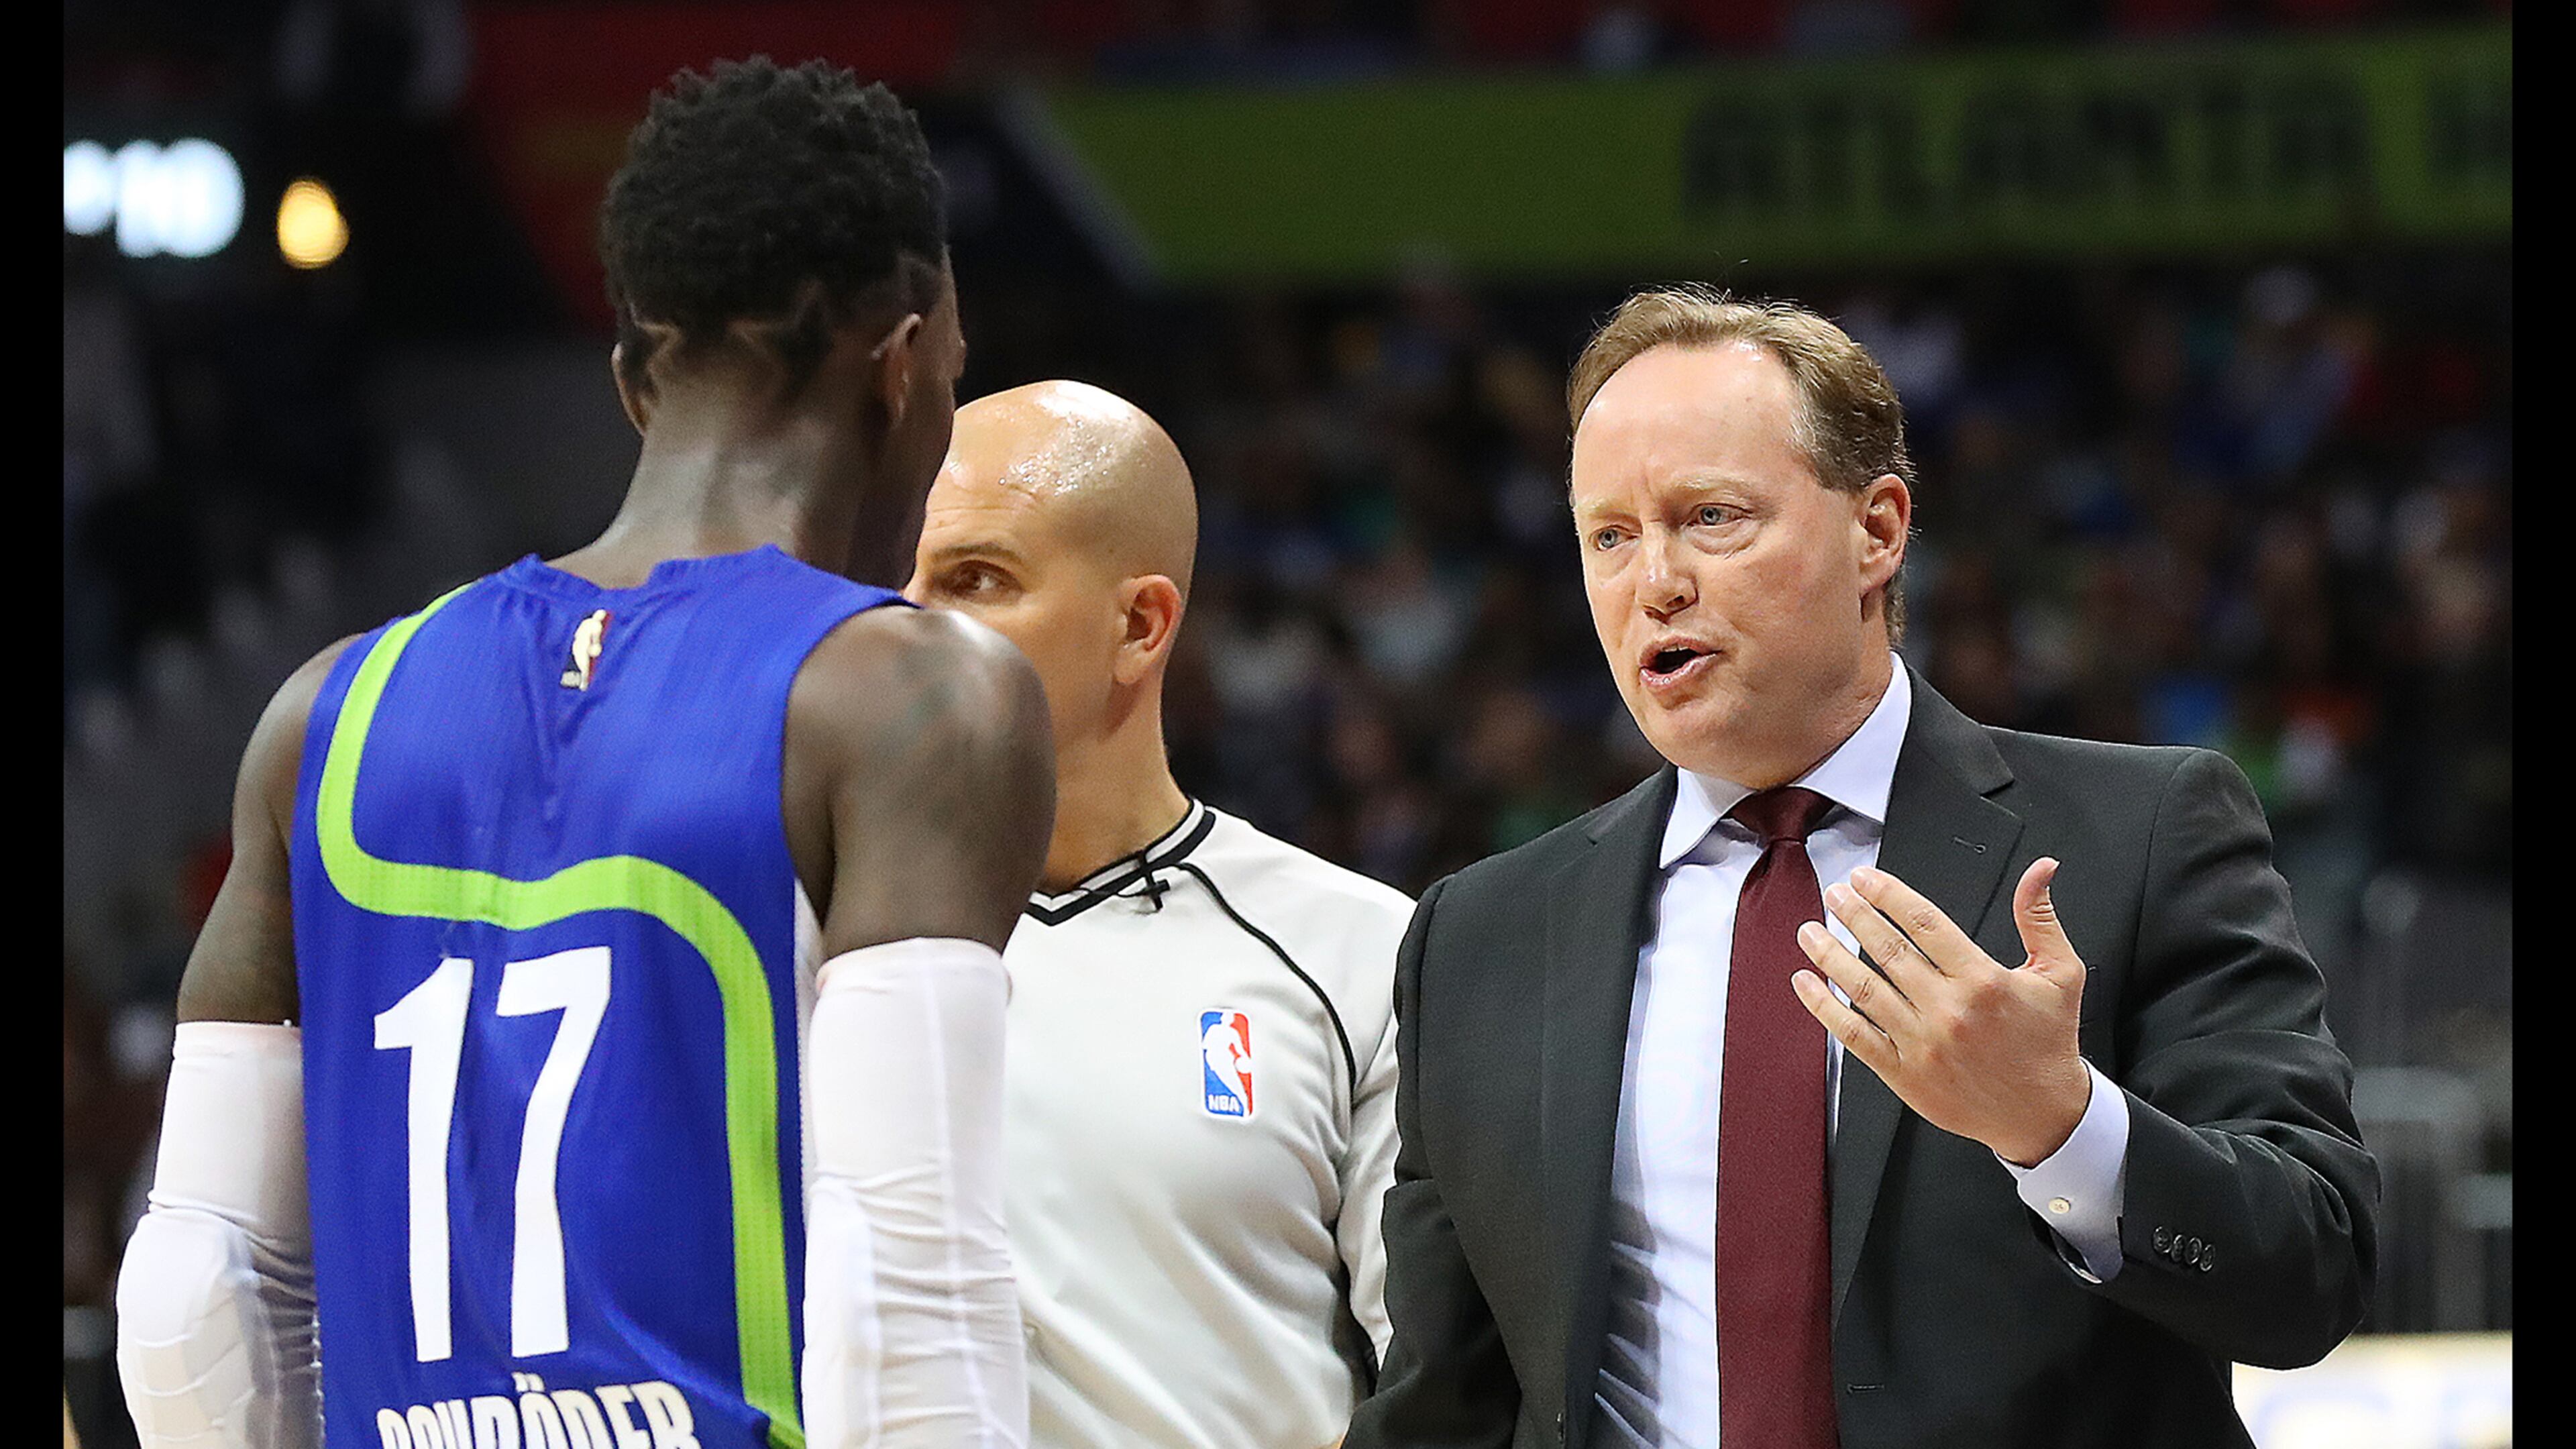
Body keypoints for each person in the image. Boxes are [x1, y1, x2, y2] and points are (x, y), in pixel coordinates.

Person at [113, 59, 1053, 1449]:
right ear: (904, 365)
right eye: (955, 382)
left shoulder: (324, 714)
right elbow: (905, 1301)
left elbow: (193, 1291)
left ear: (633, 387)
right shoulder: (906, 695)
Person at [1343, 288, 2378, 1449]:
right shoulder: (1479, 935)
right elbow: (1446, 1408)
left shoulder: (2142, 831)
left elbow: (2312, 1272)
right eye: (1610, 536)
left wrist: (2061, 1124)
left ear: (1877, 531)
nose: (1655, 583)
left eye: (1711, 518)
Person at [906, 380, 1411, 1449]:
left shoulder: (1361, 954)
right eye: (896, 581)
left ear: (1140, 626)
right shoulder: (789, 941)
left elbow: (1429, 1388)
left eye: (975, 579)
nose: (909, 625)